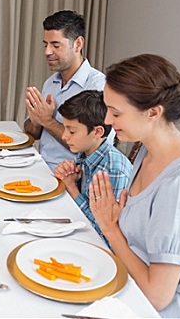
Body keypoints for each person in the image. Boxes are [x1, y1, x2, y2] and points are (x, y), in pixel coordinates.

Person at [88, 54, 180, 317]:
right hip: (132, 290)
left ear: (153, 113)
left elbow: (157, 296)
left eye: (116, 112)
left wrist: (111, 230)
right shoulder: (148, 153)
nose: (107, 120)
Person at [24, 10, 106, 170]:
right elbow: (33, 133)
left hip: (73, 177)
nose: (47, 52)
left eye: (55, 45)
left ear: (78, 44)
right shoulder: (51, 82)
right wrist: (36, 122)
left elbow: (94, 148)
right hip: (41, 166)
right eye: (45, 45)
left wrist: (47, 121)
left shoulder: (97, 86)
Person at [53, 90, 132, 245]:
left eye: (72, 131)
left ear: (97, 132)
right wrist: (72, 178)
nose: (64, 136)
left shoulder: (114, 169)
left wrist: (72, 188)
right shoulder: (86, 153)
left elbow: (106, 233)